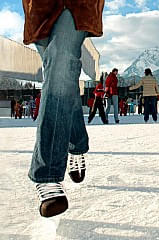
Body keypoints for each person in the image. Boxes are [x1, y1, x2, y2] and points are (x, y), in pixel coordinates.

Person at [22, 0, 104, 217]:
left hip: (78, 4)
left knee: (62, 63)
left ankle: (47, 174)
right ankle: (76, 144)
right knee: (60, 77)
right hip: (39, 7)